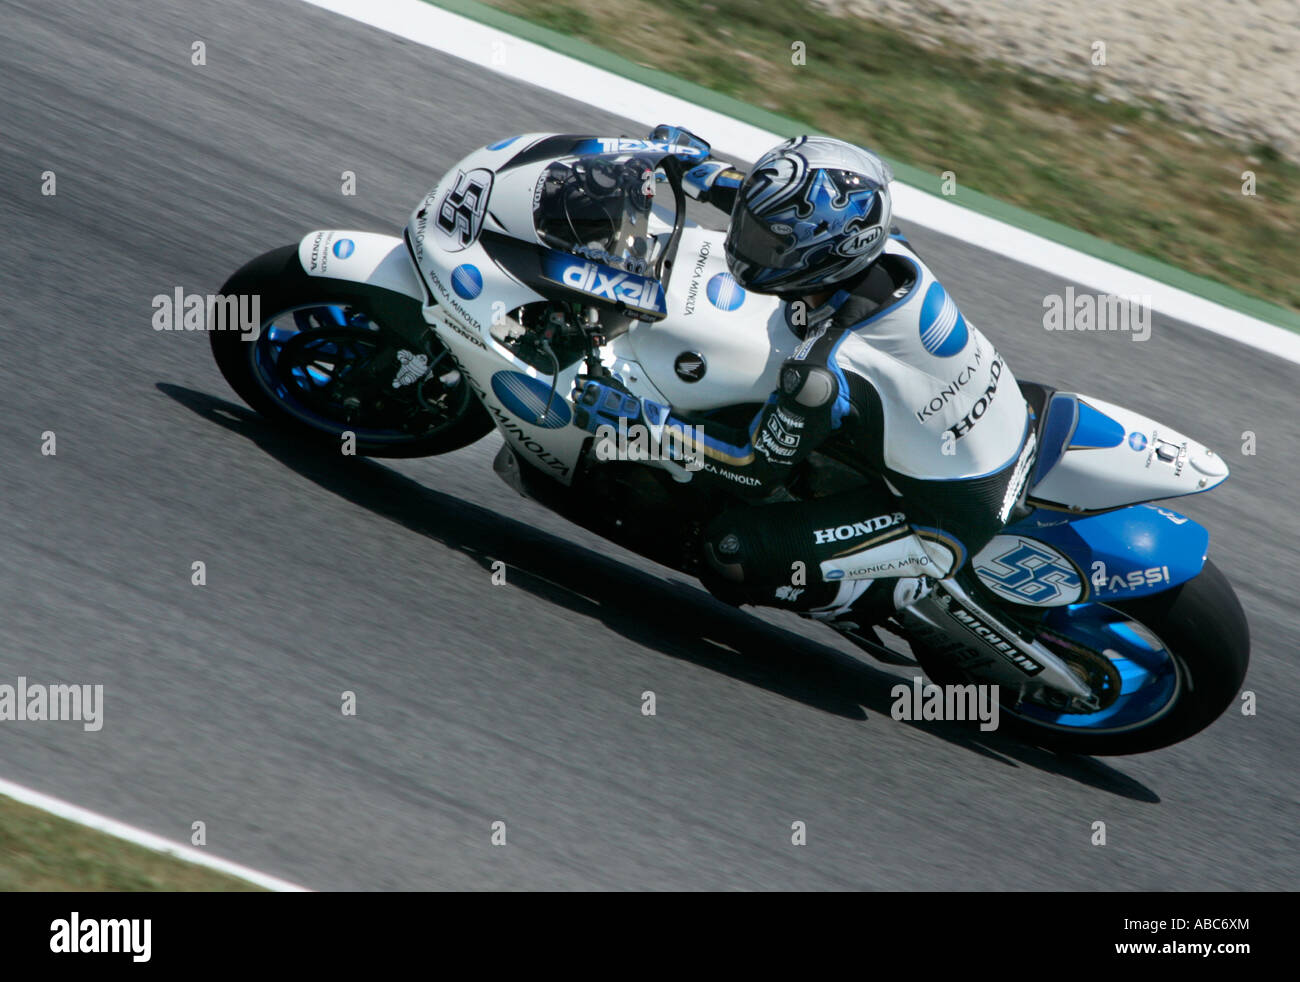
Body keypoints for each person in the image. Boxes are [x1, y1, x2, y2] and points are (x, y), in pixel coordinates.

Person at [577, 126, 1034, 637]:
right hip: (1000, 426)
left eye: (766, 244)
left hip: (946, 519)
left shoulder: (820, 370)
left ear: (822, 260)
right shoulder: (888, 247)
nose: (746, 246)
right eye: (752, 230)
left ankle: (882, 594)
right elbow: (794, 221)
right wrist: (702, 174)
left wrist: (642, 425)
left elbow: (751, 470)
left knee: (731, 553)